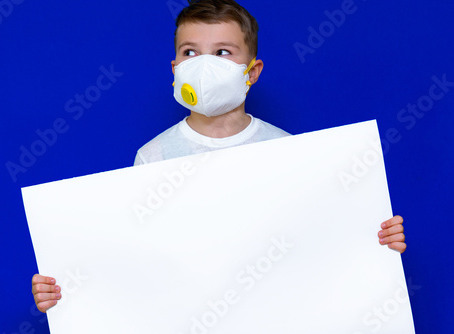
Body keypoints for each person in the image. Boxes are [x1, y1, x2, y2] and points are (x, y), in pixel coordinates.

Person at [32, 0, 407, 313]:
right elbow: (135, 260)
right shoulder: (153, 157)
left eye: (223, 52)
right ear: (176, 68)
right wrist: (67, 289)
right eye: (190, 52)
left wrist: (375, 241)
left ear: (252, 71)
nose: (203, 64)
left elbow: (319, 248)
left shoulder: (289, 153)